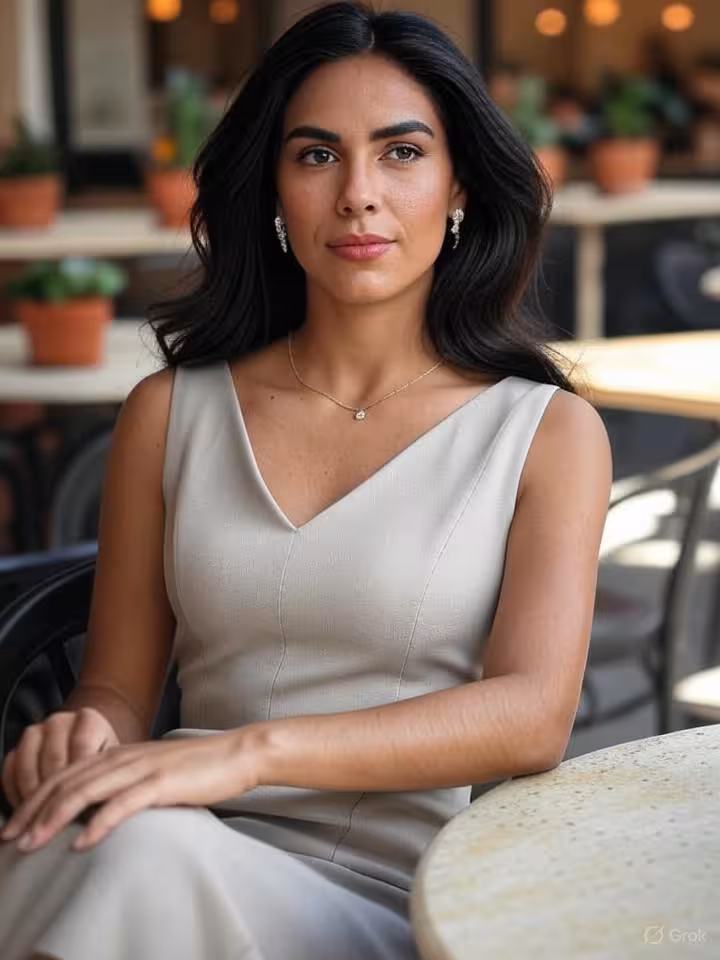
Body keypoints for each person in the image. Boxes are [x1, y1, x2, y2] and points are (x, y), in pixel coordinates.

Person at [0, 3, 612, 958]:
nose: (359, 193)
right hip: (167, 842)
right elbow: (117, 689)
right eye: (317, 155)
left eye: (402, 153)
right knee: (93, 843)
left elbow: (533, 715)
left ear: (458, 188)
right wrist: (81, 732)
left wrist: (245, 755)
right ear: (275, 191)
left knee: (126, 859)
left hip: (394, 897)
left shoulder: (544, 433)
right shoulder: (170, 413)